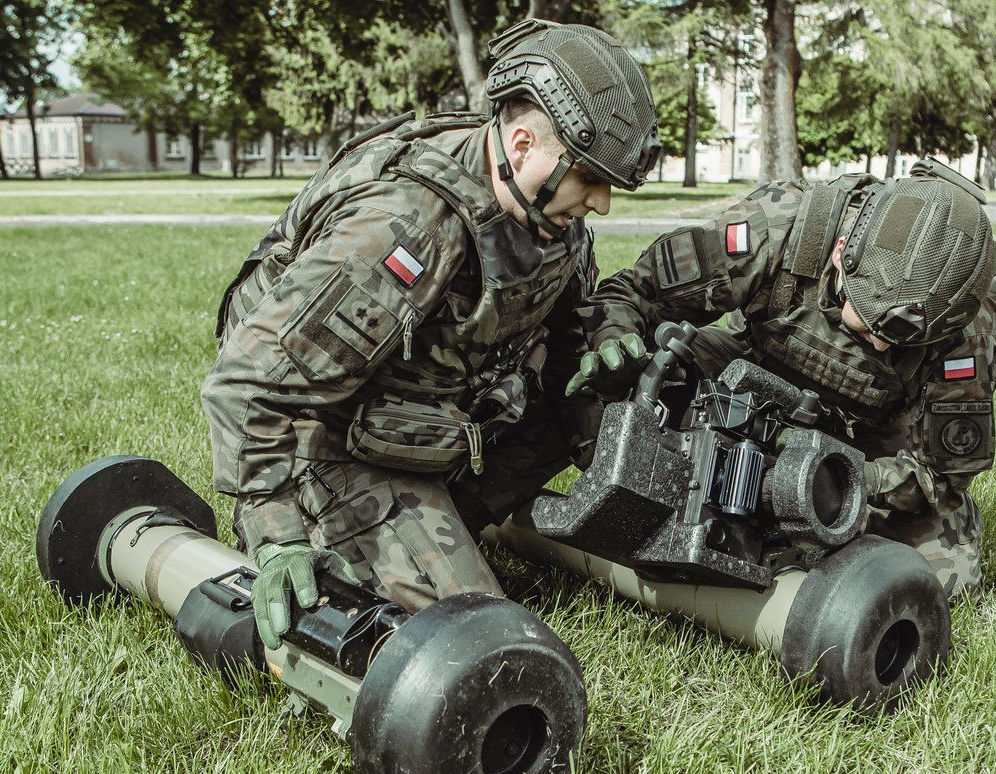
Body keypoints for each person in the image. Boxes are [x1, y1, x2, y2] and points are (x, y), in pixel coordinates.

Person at [200, 19, 661, 649]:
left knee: (587, 409)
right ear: (523, 144)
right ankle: (326, 523)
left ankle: (441, 514)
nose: (602, 204)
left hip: (432, 416)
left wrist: (606, 340)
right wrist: (276, 531)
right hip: (334, 433)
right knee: (481, 638)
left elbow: (572, 323)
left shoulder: (549, 217)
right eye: (592, 180)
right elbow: (248, 383)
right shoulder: (408, 225)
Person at [568, 159, 996, 598]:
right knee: (639, 371)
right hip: (750, 382)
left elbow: (940, 473)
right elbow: (634, 294)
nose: (877, 345)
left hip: (865, 439)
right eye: (869, 324)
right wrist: (615, 339)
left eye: (897, 341)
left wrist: (847, 483)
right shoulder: (780, 227)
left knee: (946, 574)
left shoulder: (967, 326)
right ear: (840, 253)